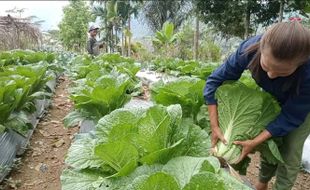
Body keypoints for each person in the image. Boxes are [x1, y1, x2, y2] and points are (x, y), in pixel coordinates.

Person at [203, 19, 310, 190]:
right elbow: (214, 82)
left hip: (300, 109)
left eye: (282, 72)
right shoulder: (248, 49)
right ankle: (262, 182)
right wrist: (215, 126)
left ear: (300, 65)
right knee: (271, 143)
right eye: (266, 67)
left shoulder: (308, 74)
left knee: (290, 150)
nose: (272, 75)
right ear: (261, 49)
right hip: (271, 98)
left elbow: (291, 116)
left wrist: (254, 141)